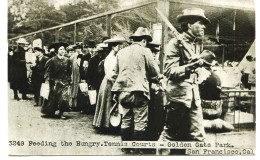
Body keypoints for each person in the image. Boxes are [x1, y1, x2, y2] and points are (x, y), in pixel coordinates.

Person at [157, 8, 210, 155]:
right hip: (178, 97)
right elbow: (169, 72)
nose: (204, 26)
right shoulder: (175, 43)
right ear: (189, 24)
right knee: (169, 135)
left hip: (194, 97)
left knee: (199, 136)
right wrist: (189, 67)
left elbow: (197, 71)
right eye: (201, 23)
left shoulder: (197, 44)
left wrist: (201, 70)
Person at [110, 27, 161, 154]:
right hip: (139, 92)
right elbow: (155, 71)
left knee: (126, 119)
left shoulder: (121, 52)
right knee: (140, 122)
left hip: (123, 92)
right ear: (144, 40)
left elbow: (114, 74)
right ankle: (138, 150)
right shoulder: (146, 51)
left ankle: (126, 148)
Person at [93, 36, 126, 131]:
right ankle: (107, 124)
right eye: (118, 46)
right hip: (109, 82)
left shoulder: (115, 57)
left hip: (112, 81)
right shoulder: (110, 58)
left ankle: (112, 124)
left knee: (113, 103)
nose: (119, 48)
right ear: (113, 47)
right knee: (109, 102)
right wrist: (116, 84)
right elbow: (110, 74)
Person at [41, 42, 71, 119]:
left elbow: (68, 71)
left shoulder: (67, 60)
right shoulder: (52, 60)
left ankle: (61, 113)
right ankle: (50, 112)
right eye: (60, 49)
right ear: (57, 51)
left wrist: (69, 80)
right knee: (53, 98)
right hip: (55, 82)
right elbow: (47, 72)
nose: (62, 51)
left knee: (63, 98)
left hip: (64, 82)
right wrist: (47, 81)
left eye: (63, 49)